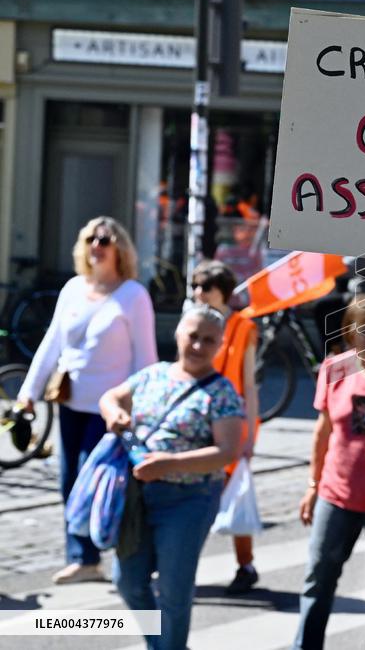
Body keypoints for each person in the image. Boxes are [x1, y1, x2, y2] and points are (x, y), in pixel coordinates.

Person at [18, 216, 158, 585]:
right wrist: (27, 394)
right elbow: (52, 343)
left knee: (97, 481)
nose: (97, 245)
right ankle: (83, 557)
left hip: (110, 410)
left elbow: (145, 359)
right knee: (69, 481)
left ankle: (115, 551)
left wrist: (144, 409)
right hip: (69, 403)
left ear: (120, 249)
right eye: (91, 239)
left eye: (105, 240)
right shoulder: (73, 289)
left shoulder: (133, 295)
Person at [100, 305, 243, 650]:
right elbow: (111, 396)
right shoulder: (153, 375)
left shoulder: (222, 392)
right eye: (193, 336)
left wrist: (170, 462)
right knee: (128, 580)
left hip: (189, 500)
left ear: (220, 345)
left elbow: (227, 453)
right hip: (137, 495)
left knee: (174, 591)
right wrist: (114, 411)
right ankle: (163, 644)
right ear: (178, 334)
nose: (198, 346)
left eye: (209, 340)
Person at [295, 295, 365, 650]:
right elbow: (323, 431)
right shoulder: (335, 368)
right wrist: (313, 485)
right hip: (336, 493)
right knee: (318, 578)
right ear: (350, 333)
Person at [190, 260, 261, 594]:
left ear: (223, 291)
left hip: (231, 422)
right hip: (195, 421)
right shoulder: (192, 322)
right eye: (195, 286)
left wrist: (250, 432)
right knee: (194, 494)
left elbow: (249, 382)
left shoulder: (243, 327)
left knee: (230, 493)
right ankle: (182, 562)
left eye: (205, 287)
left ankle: (245, 565)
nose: (197, 293)